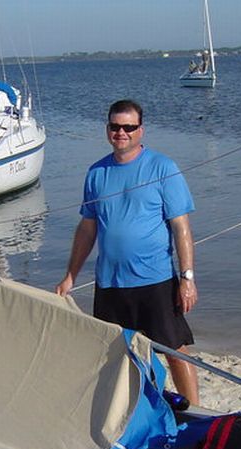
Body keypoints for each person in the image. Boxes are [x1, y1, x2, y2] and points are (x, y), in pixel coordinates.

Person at [55, 100, 200, 406]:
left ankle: (196, 411)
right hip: (110, 283)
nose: (121, 133)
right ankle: (134, 410)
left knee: (173, 347)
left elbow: (181, 228)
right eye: (115, 126)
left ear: (140, 131)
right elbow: (87, 230)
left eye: (128, 127)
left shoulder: (163, 167)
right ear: (108, 130)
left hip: (155, 279)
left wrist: (186, 278)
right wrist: (70, 276)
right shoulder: (96, 173)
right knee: (119, 353)